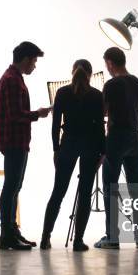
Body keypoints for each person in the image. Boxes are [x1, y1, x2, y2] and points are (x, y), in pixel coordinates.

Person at [40, 59, 105, 251]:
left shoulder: (62, 93)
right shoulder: (96, 95)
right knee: (85, 194)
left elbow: (55, 125)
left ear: (72, 72)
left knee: (58, 192)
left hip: (67, 145)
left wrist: (55, 149)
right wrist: (103, 151)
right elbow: (100, 126)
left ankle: (45, 238)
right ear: (90, 74)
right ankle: (78, 240)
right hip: (90, 146)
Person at [0, 41, 51, 250]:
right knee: (11, 188)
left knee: (14, 187)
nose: (34, 66)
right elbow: (14, 115)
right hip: (14, 141)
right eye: (34, 61)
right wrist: (38, 114)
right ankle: (6, 234)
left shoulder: (14, 78)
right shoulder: (12, 81)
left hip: (16, 141)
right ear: (25, 59)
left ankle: (11, 230)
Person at [94, 47, 138, 249]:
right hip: (136, 137)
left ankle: (112, 237)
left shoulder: (111, 84)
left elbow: (102, 112)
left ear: (109, 63)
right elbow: (136, 109)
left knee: (110, 188)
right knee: (136, 188)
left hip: (116, 138)